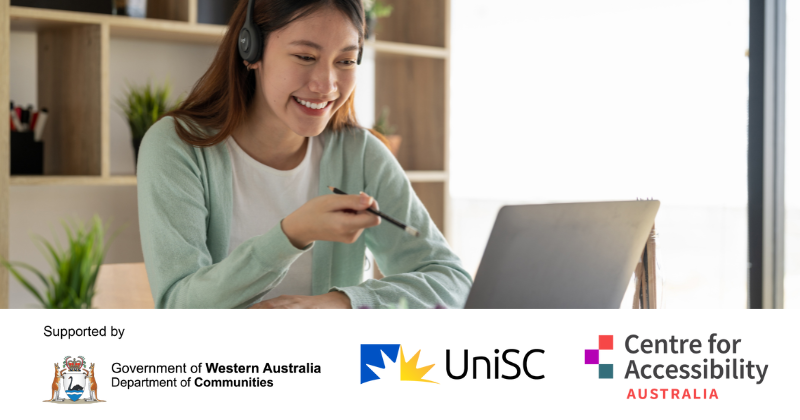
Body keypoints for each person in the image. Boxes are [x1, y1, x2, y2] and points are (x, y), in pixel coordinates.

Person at [137, 0, 472, 309]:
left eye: (345, 61)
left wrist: (341, 304)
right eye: (305, 57)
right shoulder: (177, 147)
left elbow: (453, 282)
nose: (326, 85)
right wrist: (291, 235)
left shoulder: (360, 154)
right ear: (250, 49)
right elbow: (178, 309)